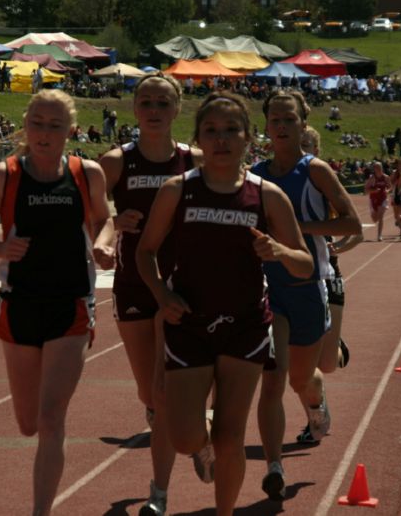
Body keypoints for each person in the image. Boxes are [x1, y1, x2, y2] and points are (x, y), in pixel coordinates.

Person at [135, 92, 314, 515]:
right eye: (211, 131)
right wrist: (163, 294)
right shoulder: (178, 190)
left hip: (246, 325)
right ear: (198, 138)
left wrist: (281, 253)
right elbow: (145, 253)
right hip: (189, 323)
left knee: (232, 436)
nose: (221, 139)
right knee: (183, 437)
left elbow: (305, 263)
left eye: (232, 130)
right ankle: (203, 436)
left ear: (249, 138)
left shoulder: (266, 195)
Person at [0, 90, 110, 516]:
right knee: (27, 423)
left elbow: (105, 219)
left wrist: (102, 245)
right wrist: (1, 251)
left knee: (50, 419)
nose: (45, 134)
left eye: (55, 125)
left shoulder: (87, 173)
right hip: (19, 305)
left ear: (71, 130)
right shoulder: (3, 175)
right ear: (25, 124)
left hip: (71, 306)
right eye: (38, 123)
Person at [92, 72, 202, 516]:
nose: (154, 111)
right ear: (135, 109)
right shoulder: (116, 161)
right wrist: (108, 233)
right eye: (147, 103)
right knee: (147, 392)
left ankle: (164, 483)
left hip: (186, 282)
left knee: (169, 389)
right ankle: (179, 425)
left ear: (177, 109)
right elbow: (93, 213)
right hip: (135, 282)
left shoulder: (193, 159)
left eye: (163, 103)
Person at [251, 95, 361, 501]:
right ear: (265, 126)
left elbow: (352, 223)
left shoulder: (315, 171)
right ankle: (275, 467)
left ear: (302, 124)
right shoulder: (255, 175)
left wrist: (298, 228)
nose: (281, 126)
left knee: (303, 378)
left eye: (289, 119)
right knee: (273, 379)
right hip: (270, 289)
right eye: (274, 119)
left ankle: (316, 406)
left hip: (309, 287)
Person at [365, 161, 391, 241]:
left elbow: (390, 187)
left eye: (379, 167)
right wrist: (374, 191)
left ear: (382, 168)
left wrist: (387, 190)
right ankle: (374, 214)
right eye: (376, 168)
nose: (378, 169)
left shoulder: (386, 177)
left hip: (383, 198)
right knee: (374, 219)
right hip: (373, 199)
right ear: (374, 169)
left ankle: (379, 235)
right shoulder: (372, 178)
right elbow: (366, 190)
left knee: (380, 216)